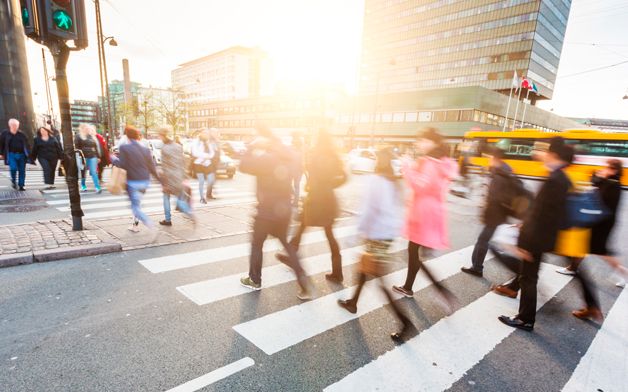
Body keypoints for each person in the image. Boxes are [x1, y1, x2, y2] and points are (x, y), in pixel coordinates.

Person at [496, 137, 573, 332]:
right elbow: (549, 213)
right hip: (542, 237)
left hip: (535, 239)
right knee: (528, 276)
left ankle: (525, 319)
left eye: (546, 152)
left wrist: (523, 242)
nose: (544, 155)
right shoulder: (563, 179)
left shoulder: (554, 180)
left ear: (553, 154)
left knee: (528, 278)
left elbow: (540, 216)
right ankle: (520, 306)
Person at [337, 148, 410, 341]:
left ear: (378, 161)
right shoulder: (393, 181)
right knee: (364, 269)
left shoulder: (376, 181)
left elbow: (369, 211)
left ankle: (405, 322)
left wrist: (356, 233)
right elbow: (398, 209)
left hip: (377, 235)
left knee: (378, 278)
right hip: (386, 235)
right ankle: (353, 302)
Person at [239, 125, 311, 300]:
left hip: (266, 211)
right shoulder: (286, 155)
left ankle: (254, 279)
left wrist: (252, 146)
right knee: (286, 244)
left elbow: (243, 166)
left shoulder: (267, 158)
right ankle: (304, 282)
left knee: (257, 244)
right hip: (283, 210)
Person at [392, 128, 458, 307]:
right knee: (415, 252)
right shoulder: (441, 161)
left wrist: (406, 166)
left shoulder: (430, 162)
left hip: (423, 214)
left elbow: (420, 186)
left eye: (422, 140)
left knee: (415, 253)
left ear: (432, 142)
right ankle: (409, 287)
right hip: (432, 212)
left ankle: (441, 292)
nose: (418, 144)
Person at [275, 129, 346, 282]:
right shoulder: (333, 156)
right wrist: (330, 185)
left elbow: (313, 176)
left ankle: (291, 255)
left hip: (316, 200)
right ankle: (337, 271)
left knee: (303, 225)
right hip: (328, 200)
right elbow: (343, 177)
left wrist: (313, 184)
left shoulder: (317, 155)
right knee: (328, 235)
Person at [461, 147, 513, 277]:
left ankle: (477, 268)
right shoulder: (505, 170)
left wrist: (485, 208)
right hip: (500, 214)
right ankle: (477, 266)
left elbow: (494, 197)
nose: (487, 160)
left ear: (494, 158)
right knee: (486, 241)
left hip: (494, 214)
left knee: (483, 241)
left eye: (489, 157)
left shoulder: (500, 173)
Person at [112, 126, 161, 239]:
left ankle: (151, 226)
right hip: (145, 181)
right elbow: (152, 167)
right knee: (137, 204)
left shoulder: (124, 147)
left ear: (127, 136)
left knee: (135, 208)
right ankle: (135, 225)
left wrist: (113, 159)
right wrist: (160, 181)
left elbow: (123, 165)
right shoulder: (145, 149)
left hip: (133, 181)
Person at [157, 127, 195, 226]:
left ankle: (168, 219)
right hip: (179, 176)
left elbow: (164, 167)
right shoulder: (178, 146)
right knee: (179, 197)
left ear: (162, 135)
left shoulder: (164, 149)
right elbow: (183, 162)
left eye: (159, 135)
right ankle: (189, 213)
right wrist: (185, 176)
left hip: (169, 178)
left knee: (166, 198)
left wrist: (164, 181)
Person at [0, 119, 31, 191]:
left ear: (18, 126)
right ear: (9, 125)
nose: (14, 126)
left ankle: (21, 185)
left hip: (22, 155)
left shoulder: (22, 134)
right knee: (13, 168)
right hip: (11, 154)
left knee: (22, 170)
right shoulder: (5, 134)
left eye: (16, 125)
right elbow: (1, 144)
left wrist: (29, 153)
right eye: (13, 125)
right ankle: (13, 180)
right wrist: (1, 153)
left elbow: (27, 144)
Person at [192, 129, 219, 203]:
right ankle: (202, 198)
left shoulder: (208, 142)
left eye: (207, 133)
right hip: (198, 163)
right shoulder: (196, 142)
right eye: (204, 133)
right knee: (201, 181)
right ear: (201, 133)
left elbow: (212, 153)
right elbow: (195, 153)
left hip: (207, 163)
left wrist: (207, 157)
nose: (206, 134)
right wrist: (206, 156)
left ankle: (207, 194)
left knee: (211, 179)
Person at [75, 124, 102, 193]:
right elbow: (77, 148)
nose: (87, 130)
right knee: (83, 172)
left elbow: (96, 147)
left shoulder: (92, 136)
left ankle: (97, 187)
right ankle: (83, 185)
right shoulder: (78, 136)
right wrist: (78, 157)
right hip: (83, 157)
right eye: (86, 128)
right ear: (82, 129)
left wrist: (98, 156)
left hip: (93, 156)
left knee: (94, 172)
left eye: (88, 128)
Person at [290, 132, 304, 207]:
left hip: (294, 170)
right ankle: (295, 201)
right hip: (298, 170)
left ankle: (295, 200)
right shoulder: (301, 150)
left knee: (293, 185)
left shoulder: (292, 149)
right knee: (296, 186)